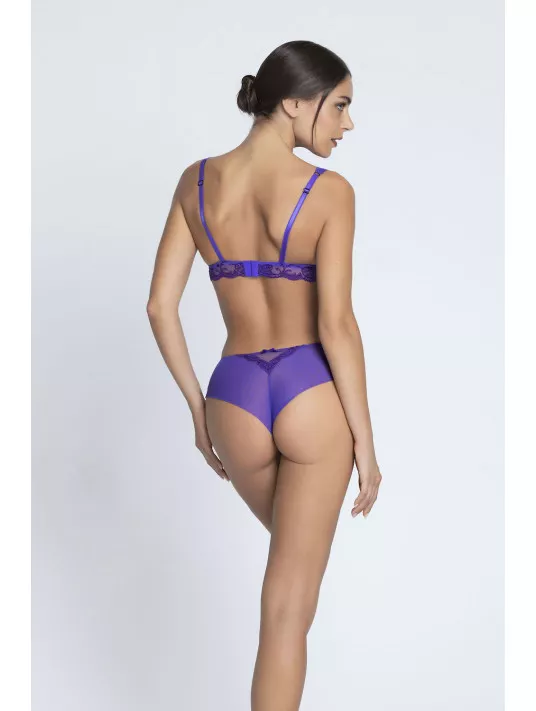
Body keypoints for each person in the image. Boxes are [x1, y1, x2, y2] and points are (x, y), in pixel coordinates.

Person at [147, 39, 382, 711]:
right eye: (339, 106)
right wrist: (365, 441)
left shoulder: (196, 182)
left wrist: (199, 411)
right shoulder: (329, 193)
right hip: (310, 392)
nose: (347, 124)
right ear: (295, 104)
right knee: (287, 607)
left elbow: (159, 306)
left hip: (235, 397)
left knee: (289, 580)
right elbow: (336, 323)